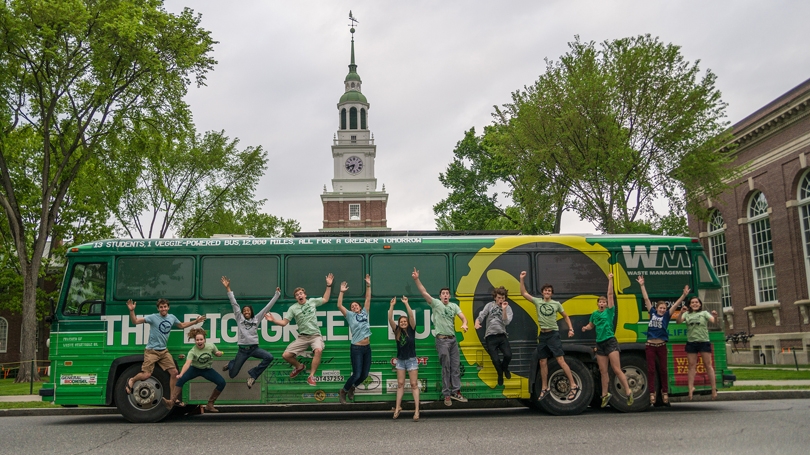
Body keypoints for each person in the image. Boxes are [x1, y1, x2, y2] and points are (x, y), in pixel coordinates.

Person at [124, 298, 206, 399]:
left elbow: (181, 325)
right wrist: (132, 310)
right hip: (151, 351)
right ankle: (132, 380)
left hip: (163, 351)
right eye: (161, 307)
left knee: (175, 372)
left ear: (168, 307)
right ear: (158, 308)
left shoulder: (172, 317)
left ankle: (172, 399)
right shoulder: (153, 317)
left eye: (165, 307)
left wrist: (196, 322)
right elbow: (135, 321)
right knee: (146, 375)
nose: (163, 309)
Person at [412, 267, 469, 406]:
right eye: (443, 293)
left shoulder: (454, 306)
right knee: (446, 367)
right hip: (442, 340)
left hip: (453, 340)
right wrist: (416, 279)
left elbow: (463, 317)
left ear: (449, 296)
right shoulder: (436, 304)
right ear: (440, 296)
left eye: (447, 294)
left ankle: (456, 392)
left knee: (455, 367)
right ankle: (446, 394)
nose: (445, 295)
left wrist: (465, 324)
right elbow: (424, 292)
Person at [519, 271, 578, 402]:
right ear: (542, 292)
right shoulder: (538, 302)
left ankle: (574, 385)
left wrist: (570, 329)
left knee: (560, 360)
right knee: (542, 361)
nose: (547, 292)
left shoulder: (556, 304)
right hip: (543, 335)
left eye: (549, 291)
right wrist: (522, 279)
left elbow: (566, 316)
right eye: (545, 290)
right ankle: (545, 388)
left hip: (553, 334)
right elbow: (524, 293)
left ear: (551, 293)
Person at [265, 273, 334, 386]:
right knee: (286, 355)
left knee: (318, 350)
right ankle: (299, 366)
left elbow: (325, 299)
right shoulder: (293, 308)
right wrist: (274, 320)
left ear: (305, 295)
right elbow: (284, 323)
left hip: (315, 335)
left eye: (301, 293)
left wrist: (328, 285)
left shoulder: (312, 302)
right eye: (297, 295)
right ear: (296, 298)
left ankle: (311, 376)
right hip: (302, 337)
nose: (299, 295)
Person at [581, 273, 634, 408]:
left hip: (610, 341)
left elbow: (610, 295)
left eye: (604, 302)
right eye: (600, 302)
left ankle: (628, 391)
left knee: (616, 368)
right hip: (600, 344)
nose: (602, 303)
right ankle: (605, 395)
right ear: (598, 304)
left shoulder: (609, 312)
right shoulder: (594, 314)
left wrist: (610, 280)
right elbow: (591, 325)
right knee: (603, 370)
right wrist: (586, 328)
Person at [220, 276, 280, 389]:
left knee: (269, 357)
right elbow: (234, 304)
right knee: (232, 375)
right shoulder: (239, 319)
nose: (246, 312)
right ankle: (231, 364)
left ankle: (253, 375)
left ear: (251, 312)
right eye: (244, 311)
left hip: (254, 349)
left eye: (248, 311)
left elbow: (267, 308)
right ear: (242, 313)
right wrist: (228, 288)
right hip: (242, 351)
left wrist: (276, 295)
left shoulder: (256, 319)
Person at [638, 276, 688, 405]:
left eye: (664, 308)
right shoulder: (652, 312)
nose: (662, 310)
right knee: (651, 370)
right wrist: (642, 285)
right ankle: (652, 393)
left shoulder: (666, 315)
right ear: (657, 308)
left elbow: (676, 304)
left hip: (661, 345)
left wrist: (683, 295)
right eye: (660, 308)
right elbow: (646, 299)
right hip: (650, 345)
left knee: (663, 369)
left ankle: (665, 392)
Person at [163, 327, 226, 412]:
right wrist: (181, 374)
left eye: (201, 339)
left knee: (222, 382)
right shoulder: (192, 351)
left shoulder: (211, 346)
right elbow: (187, 364)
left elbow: (216, 353)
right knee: (181, 380)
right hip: (195, 369)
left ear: (204, 340)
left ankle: (210, 404)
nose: (199, 341)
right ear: (195, 341)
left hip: (207, 370)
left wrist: (219, 354)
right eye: (197, 340)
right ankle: (172, 402)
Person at [335, 275, 372, 404]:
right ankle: (344, 391)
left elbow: (368, 298)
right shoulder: (350, 316)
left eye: (356, 305)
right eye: (352, 306)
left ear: (360, 307)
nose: (354, 307)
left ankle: (352, 387)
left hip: (367, 348)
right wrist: (341, 292)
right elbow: (339, 305)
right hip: (356, 347)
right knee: (356, 374)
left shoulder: (365, 313)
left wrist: (368, 285)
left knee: (365, 374)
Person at [676, 294, 719, 400]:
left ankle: (713, 388)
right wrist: (681, 312)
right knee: (691, 366)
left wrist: (715, 316)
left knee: (708, 365)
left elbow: (714, 321)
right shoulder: (686, 314)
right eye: (692, 302)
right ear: (690, 305)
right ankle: (691, 387)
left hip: (703, 341)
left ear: (700, 304)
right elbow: (678, 322)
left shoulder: (704, 313)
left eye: (696, 302)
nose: (695, 304)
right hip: (691, 343)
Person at [388, 295, 420, 421]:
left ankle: (417, 410)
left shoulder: (412, 329)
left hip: (411, 360)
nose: (403, 323)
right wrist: (392, 306)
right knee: (400, 384)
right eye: (401, 322)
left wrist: (406, 303)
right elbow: (390, 318)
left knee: (414, 384)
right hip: (400, 361)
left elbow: (411, 316)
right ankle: (397, 408)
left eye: (404, 321)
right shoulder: (396, 330)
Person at [474, 286, 513, 386]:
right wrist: (477, 323)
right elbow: (481, 315)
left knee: (508, 355)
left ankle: (505, 368)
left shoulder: (508, 308)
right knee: (495, 360)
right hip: (490, 337)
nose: (501, 300)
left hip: (502, 335)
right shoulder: (489, 305)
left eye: (503, 298)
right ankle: (500, 374)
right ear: (495, 297)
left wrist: (503, 310)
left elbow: (506, 322)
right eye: (499, 298)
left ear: (505, 298)